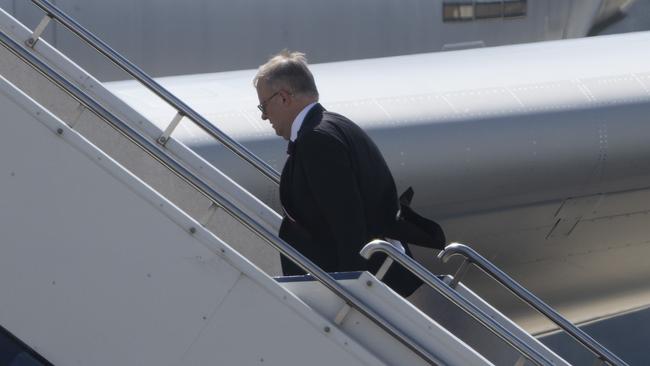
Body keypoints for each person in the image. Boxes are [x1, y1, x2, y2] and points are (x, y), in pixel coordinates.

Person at [254, 50, 445, 296]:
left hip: (368, 288)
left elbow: (347, 223)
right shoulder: (334, 125)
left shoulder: (316, 140)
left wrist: (349, 291)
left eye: (263, 105)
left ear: (282, 98)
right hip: (378, 276)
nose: (263, 116)